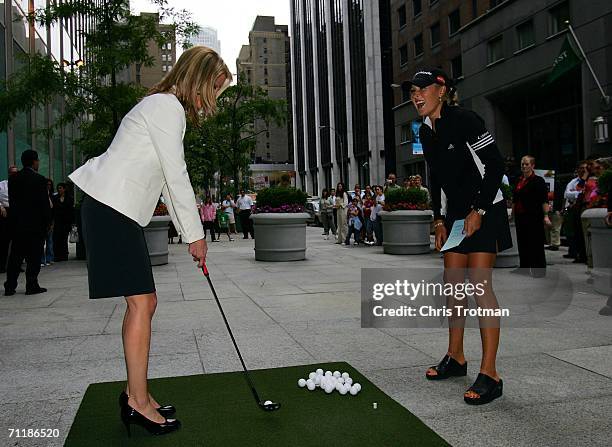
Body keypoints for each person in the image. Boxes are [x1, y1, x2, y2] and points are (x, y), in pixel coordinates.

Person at [68, 46, 231, 436]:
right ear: (199, 79)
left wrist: (190, 232)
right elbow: (176, 176)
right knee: (142, 302)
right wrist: (195, 235)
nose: (211, 102)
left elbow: (164, 179)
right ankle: (138, 403)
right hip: (111, 209)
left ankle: (134, 393)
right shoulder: (166, 108)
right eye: (214, 90)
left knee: (144, 302)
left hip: (114, 210)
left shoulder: (163, 106)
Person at [413, 68, 511, 405]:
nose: (416, 95)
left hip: (486, 208)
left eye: (422, 89)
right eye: (412, 91)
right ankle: (456, 357)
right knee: (453, 286)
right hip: (455, 214)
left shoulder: (466, 119)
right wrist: (439, 218)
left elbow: (496, 165)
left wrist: (479, 211)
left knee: (479, 285)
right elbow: (435, 176)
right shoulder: (425, 131)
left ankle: (491, 374)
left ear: (441, 90)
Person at [4, 150, 52, 296]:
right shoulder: (39, 180)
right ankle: (31, 284)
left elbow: (12, 202)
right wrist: (48, 221)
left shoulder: (13, 180)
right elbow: (44, 204)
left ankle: (10, 286)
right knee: (34, 256)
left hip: (18, 225)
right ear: (34, 161)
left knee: (15, 257)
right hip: (35, 225)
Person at [512, 156, 550, 276]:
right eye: (522, 164)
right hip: (520, 215)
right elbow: (515, 199)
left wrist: (546, 216)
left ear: (533, 166)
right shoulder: (518, 180)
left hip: (533, 216)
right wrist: (512, 214)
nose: (524, 166)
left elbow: (544, 200)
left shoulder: (538, 181)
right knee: (522, 242)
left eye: (527, 164)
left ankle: (538, 269)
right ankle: (524, 267)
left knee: (535, 242)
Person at [562, 162, 588, 260]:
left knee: (581, 232)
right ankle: (574, 252)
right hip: (571, 209)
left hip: (583, 208)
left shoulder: (588, 180)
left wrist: (576, 193)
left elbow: (584, 193)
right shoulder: (573, 182)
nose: (582, 170)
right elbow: (567, 195)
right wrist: (579, 194)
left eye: (584, 168)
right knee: (571, 231)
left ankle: (581, 253)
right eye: (580, 168)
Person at [0, 165, 19, 273]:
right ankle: (2, 265)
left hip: (16, 212)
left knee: (18, 241)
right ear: (9, 174)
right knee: (4, 241)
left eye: (16, 173)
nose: (14, 175)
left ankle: (16, 265)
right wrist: (1, 206)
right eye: (12, 173)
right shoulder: (2, 185)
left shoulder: (21, 185)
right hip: (5, 213)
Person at [52, 183, 73, 262]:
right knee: (57, 238)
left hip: (65, 222)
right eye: (58, 188)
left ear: (64, 189)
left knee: (64, 239)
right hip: (57, 221)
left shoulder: (69, 198)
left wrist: (71, 222)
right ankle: (57, 255)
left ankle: (64, 255)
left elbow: (70, 211)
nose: (59, 189)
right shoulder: (55, 198)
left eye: (61, 188)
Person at [41, 178, 55, 266]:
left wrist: (53, 223)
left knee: (49, 241)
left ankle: (49, 258)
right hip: (43, 220)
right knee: (42, 242)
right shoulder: (41, 195)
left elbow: (53, 208)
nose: (48, 186)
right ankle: (42, 260)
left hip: (50, 220)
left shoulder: (52, 196)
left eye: (50, 185)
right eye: (47, 185)